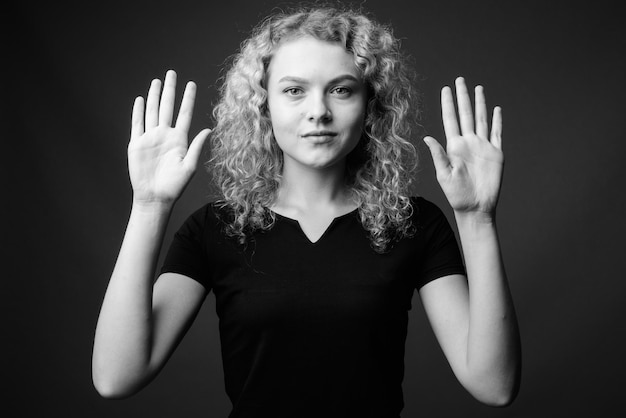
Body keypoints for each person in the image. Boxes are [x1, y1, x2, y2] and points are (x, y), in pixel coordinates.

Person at [92, 5, 521, 417]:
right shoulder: (216, 229)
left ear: (370, 105)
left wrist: (477, 219)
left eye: (341, 89)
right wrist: (149, 207)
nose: (319, 111)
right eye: (294, 90)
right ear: (264, 105)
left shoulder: (414, 224)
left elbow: (494, 386)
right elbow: (116, 377)